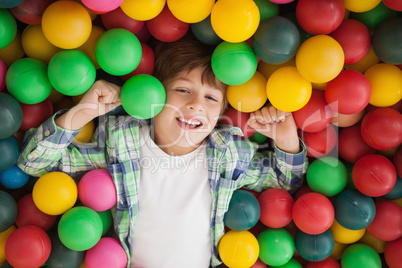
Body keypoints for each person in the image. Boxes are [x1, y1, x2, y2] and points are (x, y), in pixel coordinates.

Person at [18, 34, 308, 268]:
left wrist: (286, 140)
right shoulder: (122, 143)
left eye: (210, 97)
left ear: (221, 111)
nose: (196, 104)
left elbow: (285, 185)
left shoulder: (228, 153)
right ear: (155, 94)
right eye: (183, 90)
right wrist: (82, 113)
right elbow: (34, 163)